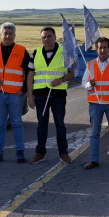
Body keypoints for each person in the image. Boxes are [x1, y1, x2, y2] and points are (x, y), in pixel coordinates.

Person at [26, 27, 75, 164]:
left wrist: (62, 80)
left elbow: (72, 73)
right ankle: (40, 153)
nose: (46, 39)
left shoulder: (64, 53)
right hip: (41, 95)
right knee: (42, 125)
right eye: (44, 37)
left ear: (55, 37)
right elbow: (30, 76)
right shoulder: (35, 54)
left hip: (58, 95)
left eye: (49, 36)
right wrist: (30, 96)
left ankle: (63, 153)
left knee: (60, 124)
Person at [0, 23, 30, 164]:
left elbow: (29, 73)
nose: (8, 36)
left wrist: (23, 90)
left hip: (16, 95)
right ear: (0, 34)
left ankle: (20, 152)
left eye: (10, 33)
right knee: (0, 124)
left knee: (16, 123)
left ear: (14, 35)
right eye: (5, 33)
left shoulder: (22, 51)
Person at [83, 37, 109, 170]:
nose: (102, 50)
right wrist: (90, 84)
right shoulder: (90, 65)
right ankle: (94, 160)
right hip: (95, 104)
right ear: (96, 49)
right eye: (100, 47)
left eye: (105, 47)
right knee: (94, 133)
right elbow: (84, 83)